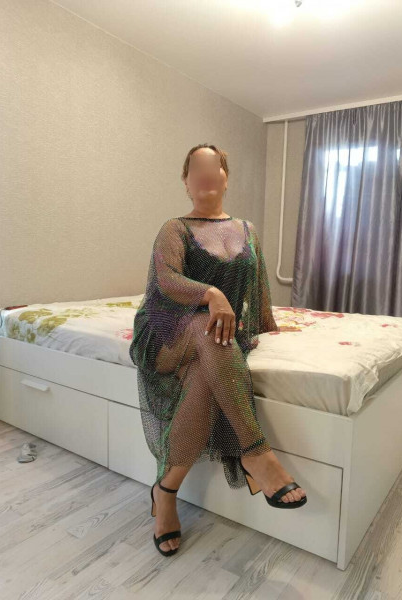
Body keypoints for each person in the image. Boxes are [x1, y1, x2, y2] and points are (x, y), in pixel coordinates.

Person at [129, 144, 307, 556]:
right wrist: (211, 294)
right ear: (186, 181)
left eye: (215, 166)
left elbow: (258, 287)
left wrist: (267, 325)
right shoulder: (175, 228)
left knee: (207, 374)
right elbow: (167, 280)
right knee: (211, 331)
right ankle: (256, 453)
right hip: (166, 330)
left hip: (217, 336)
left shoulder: (247, 229)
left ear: (226, 177)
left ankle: (165, 493)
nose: (207, 172)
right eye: (197, 167)